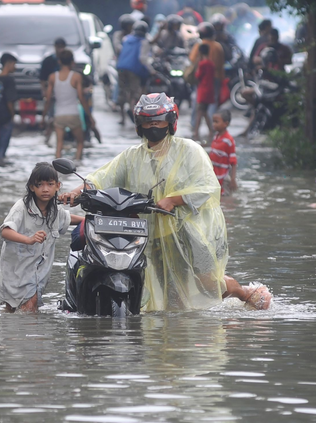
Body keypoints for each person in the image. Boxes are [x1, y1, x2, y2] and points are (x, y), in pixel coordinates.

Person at [59, 92, 271, 312]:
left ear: (170, 123)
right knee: (169, 292)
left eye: (158, 121)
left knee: (206, 282)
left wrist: (174, 200)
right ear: (139, 125)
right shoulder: (132, 156)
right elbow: (100, 177)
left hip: (186, 230)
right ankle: (171, 338)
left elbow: (207, 187)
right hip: (150, 233)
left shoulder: (189, 151)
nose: (153, 125)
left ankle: (244, 292)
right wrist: (75, 192)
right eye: (147, 121)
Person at [0, 162, 84, 313]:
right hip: (16, 269)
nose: (45, 189)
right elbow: (5, 231)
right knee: (15, 311)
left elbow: (68, 218)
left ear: (58, 186)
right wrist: (29, 239)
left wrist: (89, 221)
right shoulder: (22, 207)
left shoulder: (55, 209)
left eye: (50, 184)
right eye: (40, 185)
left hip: (37, 274)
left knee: (27, 310)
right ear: (32, 187)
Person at [42, 49, 96, 161]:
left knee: (59, 145)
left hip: (59, 115)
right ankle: (77, 165)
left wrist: (43, 117)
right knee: (80, 142)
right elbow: (81, 98)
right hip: (73, 114)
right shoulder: (76, 77)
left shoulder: (52, 77)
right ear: (72, 62)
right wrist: (90, 116)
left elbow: (48, 99)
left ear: (59, 62)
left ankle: (57, 169)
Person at [116, 20, 156, 125]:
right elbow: (142, 58)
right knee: (135, 92)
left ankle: (122, 118)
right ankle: (131, 109)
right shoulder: (144, 42)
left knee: (122, 91)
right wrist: (151, 70)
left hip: (121, 67)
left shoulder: (126, 39)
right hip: (133, 69)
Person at [189, 22, 225, 124]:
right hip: (216, 78)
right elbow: (221, 62)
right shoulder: (218, 46)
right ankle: (213, 125)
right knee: (213, 101)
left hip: (202, 79)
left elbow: (192, 59)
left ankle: (194, 123)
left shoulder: (199, 45)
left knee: (197, 100)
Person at [40, 38, 67, 144]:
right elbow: (42, 78)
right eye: (58, 46)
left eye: (61, 47)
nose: (60, 49)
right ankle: (49, 136)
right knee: (51, 117)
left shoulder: (67, 59)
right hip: (52, 92)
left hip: (65, 93)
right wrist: (44, 91)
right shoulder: (48, 61)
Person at [209, 109, 237, 195]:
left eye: (216, 122)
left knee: (226, 200)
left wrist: (233, 179)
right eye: (213, 121)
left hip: (224, 177)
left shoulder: (229, 140)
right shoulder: (216, 137)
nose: (214, 124)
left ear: (226, 123)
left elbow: (233, 162)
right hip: (215, 176)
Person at [193, 43, 214, 141]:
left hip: (203, 90)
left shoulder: (202, 64)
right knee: (204, 112)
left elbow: (197, 76)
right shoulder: (211, 63)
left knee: (200, 112)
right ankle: (210, 131)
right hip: (209, 90)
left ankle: (196, 132)